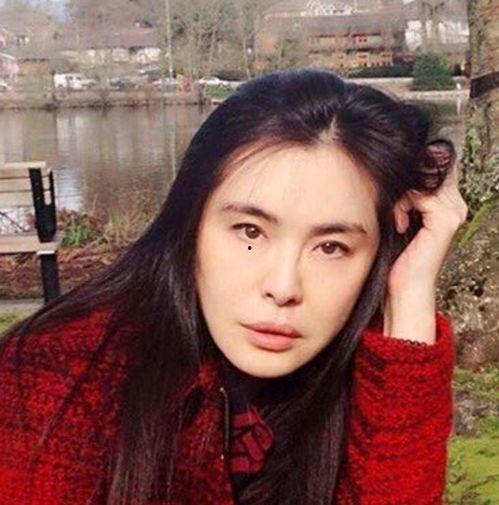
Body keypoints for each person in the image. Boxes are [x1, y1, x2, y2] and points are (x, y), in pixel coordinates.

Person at [0, 68, 468, 505]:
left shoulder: (351, 385)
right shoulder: (59, 383)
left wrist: (410, 296)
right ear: (191, 225)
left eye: (331, 247)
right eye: (250, 232)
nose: (283, 287)